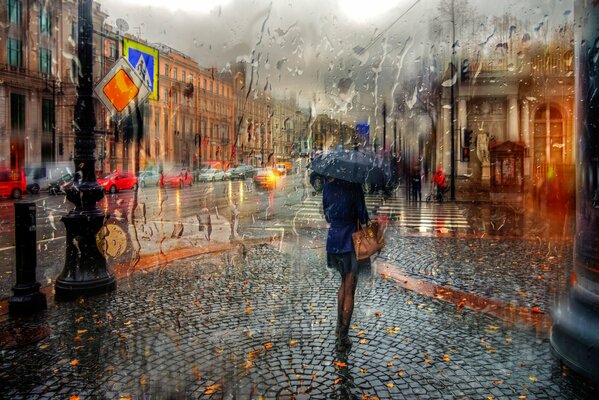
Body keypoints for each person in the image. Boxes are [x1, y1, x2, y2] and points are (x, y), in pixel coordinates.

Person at [322, 178, 369, 352]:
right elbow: (363, 216)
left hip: (334, 239)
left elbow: (327, 215)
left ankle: (338, 325)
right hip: (350, 240)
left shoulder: (327, 187)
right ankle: (343, 336)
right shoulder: (354, 186)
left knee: (343, 282)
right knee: (350, 286)